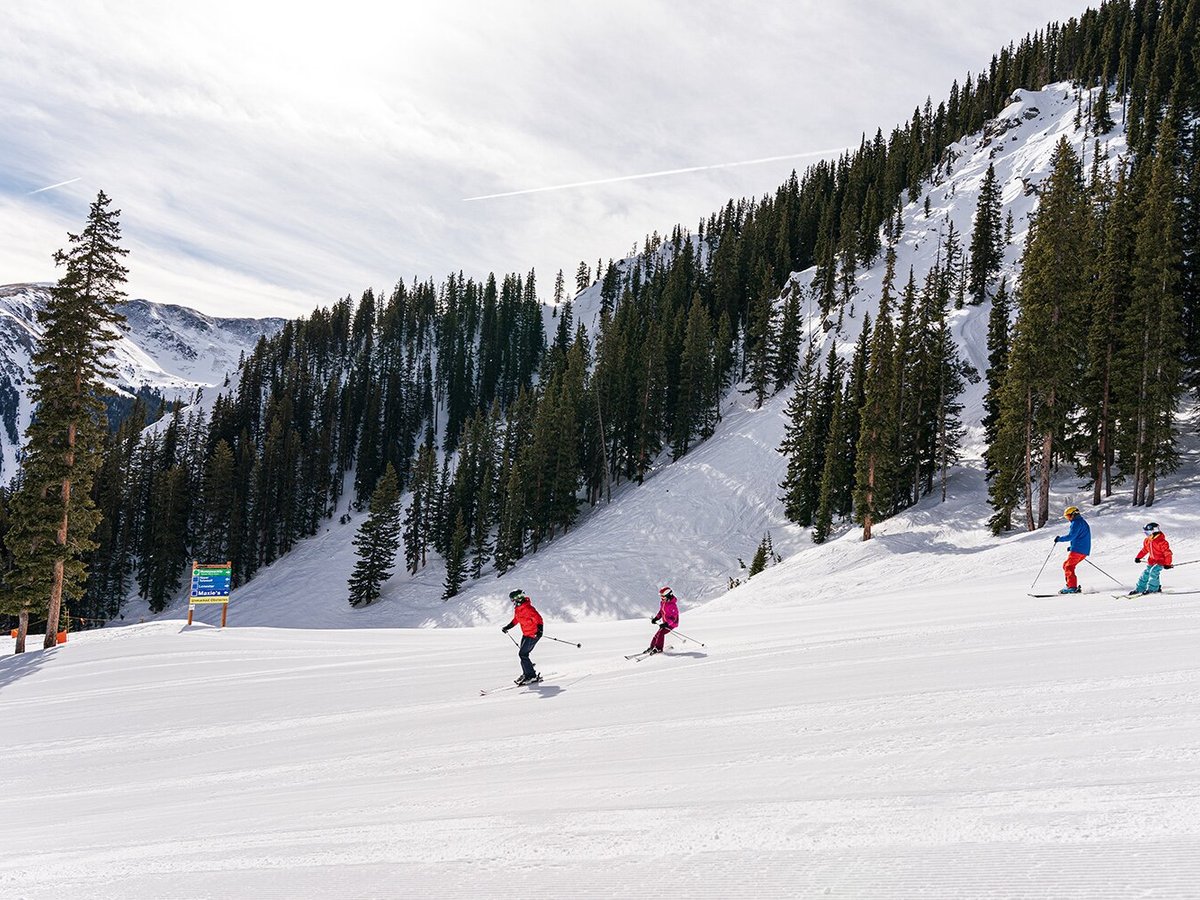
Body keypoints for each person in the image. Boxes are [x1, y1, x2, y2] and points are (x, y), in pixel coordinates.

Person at [501, 589, 543, 685]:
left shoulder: (528, 608)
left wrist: (540, 631)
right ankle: (527, 673)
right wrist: (507, 627)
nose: (513, 602)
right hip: (526, 634)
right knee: (523, 654)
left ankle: (531, 676)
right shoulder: (518, 609)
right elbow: (516, 620)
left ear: (518, 598)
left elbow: (539, 619)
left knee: (523, 654)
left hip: (533, 634)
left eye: (513, 600)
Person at [1053, 506, 1091, 594]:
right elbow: (1081, 536)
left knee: (1068, 566)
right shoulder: (1082, 522)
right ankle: (1070, 584)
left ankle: (1072, 587)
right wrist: (1072, 547)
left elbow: (1071, 536)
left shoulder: (1076, 523)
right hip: (1083, 550)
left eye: (1069, 516)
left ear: (1074, 514)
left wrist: (1059, 539)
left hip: (1078, 550)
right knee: (1066, 565)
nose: (1068, 519)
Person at [1130, 522, 1172, 596]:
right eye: (1145, 532)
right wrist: (1138, 557)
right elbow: (1144, 550)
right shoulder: (1147, 541)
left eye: (1148, 532)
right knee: (1146, 573)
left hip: (1161, 561)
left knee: (1153, 571)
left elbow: (1167, 553)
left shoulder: (1162, 542)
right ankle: (1140, 588)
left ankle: (1153, 589)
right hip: (1152, 561)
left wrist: (1167, 564)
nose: (1146, 534)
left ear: (1154, 531)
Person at [646, 586, 680, 655]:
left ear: (668, 595)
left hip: (672, 624)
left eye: (663, 596)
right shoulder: (663, 603)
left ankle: (658, 648)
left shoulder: (672, 605)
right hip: (666, 623)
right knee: (657, 634)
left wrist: (667, 624)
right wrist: (656, 618)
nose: (662, 598)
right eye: (661, 596)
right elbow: (661, 612)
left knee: (661, 633)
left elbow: (674, 618)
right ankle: (652, 647)